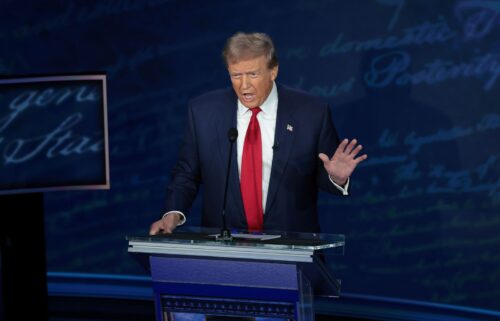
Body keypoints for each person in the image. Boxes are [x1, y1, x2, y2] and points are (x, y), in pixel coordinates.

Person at [149, 32, 367, 235]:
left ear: (273, 71)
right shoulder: (203, 112)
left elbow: (323, 170)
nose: (244, 85)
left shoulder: (311, 112)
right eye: (236, 75)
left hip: (290, 248)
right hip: (223, 251)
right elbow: (187, 173)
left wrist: (336, 178)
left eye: (253, 74)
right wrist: (172, 214)